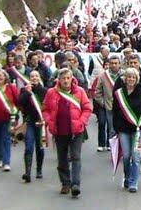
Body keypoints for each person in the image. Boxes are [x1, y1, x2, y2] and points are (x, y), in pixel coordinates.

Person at [43, 68, 92, 198]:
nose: (65, 81)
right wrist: (50, 122)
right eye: (63, 78)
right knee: (62, 158)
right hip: (59, 130)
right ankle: (65, 183)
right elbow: (45, 109)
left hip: (76, 130)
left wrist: (81, 121)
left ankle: (75, 184)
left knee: (76, 157)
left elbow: (87, 109)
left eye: (68, 78)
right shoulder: (51, 93)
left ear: (72, 79)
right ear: (59, 79)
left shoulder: (80, 92)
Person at [112, 68, 141, 193]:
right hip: (123, 129)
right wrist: (116, 128)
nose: (131, 79)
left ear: (137, 79)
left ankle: (133, 182)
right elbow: (115, 112)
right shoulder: (119, 93)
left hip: (137, 130)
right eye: (129, 77)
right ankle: (127, 177)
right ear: (125, 79)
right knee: (126, 156)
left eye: (133, 77)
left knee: (136, 156)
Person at [18, 71, 47, 183]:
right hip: (29, 121)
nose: (34, 78)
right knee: (29, 146)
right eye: (32, 76)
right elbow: (19, 102)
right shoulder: (24, 90)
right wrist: (27, 92)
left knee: (39, 147)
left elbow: (47, 105)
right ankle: (27, 172)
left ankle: (39, 170)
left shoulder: (44, 90)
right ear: (29, 78)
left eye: (36, 76)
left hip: (40, 122)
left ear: (39, 78)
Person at [94, 55, 124, 152]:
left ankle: (114, 145)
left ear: (120, 64)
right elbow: (97, 92)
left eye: (116, 63)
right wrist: (103, 103)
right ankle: (106, 144)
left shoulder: (124, 75)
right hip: (108, 105)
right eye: (112, 63)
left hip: (121, 107)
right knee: (106, 125)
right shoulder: (103, 76)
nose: (114, 65)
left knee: (117, 128)